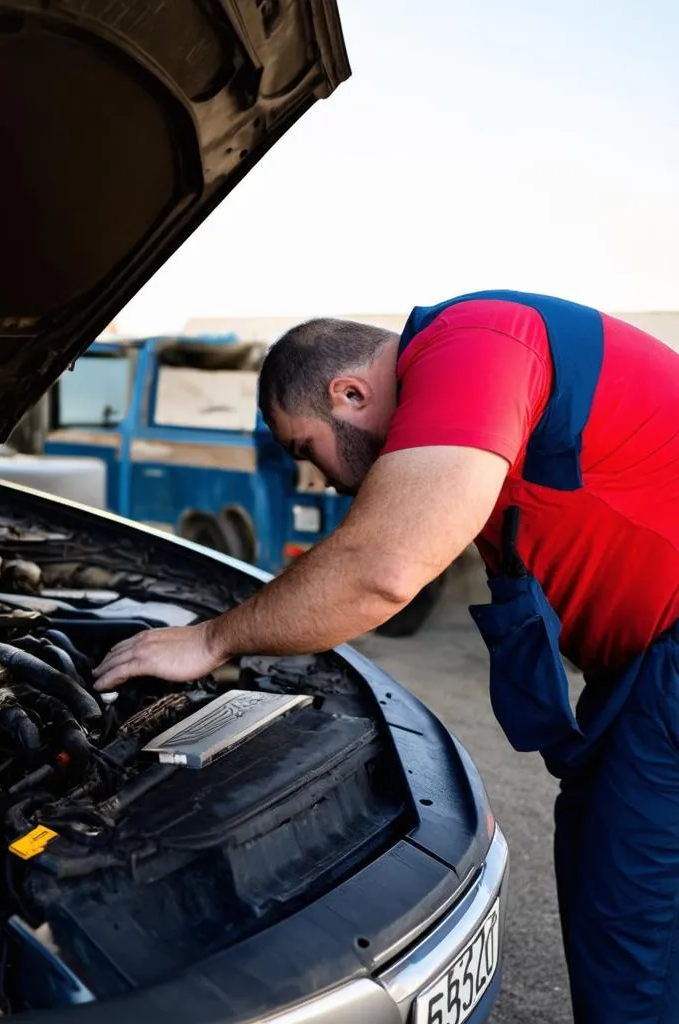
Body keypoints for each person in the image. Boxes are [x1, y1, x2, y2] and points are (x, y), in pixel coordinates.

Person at [93, 290, 679, 1024]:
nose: (322, 480)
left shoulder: (476, 341)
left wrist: (210, 640)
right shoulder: (477, 368)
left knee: (633, 928)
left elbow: (383, 570)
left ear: (350, 392)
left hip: (669, 669)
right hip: (640, 677)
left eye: (308, 449)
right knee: (611, 875)